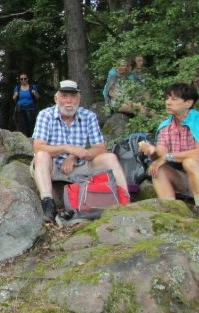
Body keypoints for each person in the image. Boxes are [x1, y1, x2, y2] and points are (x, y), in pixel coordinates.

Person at [32, 79, 129, 223]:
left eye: (73, 96)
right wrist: (67, 148)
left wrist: (75, 155)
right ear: (56, 98)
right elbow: (38, 146)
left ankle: (125, 202)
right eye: (64, 96)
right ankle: (48, 205)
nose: (69, 101)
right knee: (41, 155)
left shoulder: (89, 116)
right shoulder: (45, 115)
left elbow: (100, 148)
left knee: (110, 158)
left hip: (81, 166)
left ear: (79, 98)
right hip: (54, 166)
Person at [137, 83, 199, 214]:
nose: (168, 102)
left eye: (174, 99)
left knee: (190, 162)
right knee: (157, 168)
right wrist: (152, 151)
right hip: (185, 179)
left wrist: (167, 156)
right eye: (167, 98)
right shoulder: (166, 126)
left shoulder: (197, 121)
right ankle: (171, 211)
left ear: (188, 103)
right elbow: (161, 153)